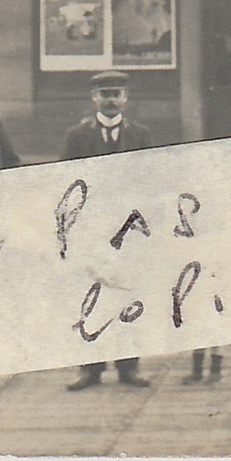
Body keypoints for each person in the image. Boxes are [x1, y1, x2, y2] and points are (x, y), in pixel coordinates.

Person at [63, 71, 154, 392]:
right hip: (91, 229)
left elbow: (150, 181)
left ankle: (129, 367)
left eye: (117, 93)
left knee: (127, 294)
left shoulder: (140, 135)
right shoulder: (77, 136)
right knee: (91, 295)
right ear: (94, 98)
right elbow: (68, 184)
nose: (111, 99)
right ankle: (90, 369)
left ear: (126, 98)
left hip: (128, 231)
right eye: (105, 94)